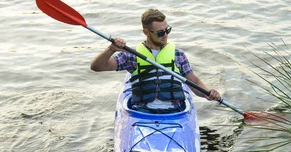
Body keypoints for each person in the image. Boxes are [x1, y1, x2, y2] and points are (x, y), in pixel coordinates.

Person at [90, 9, 221, 113]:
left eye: (167, 30)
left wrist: (208, 93)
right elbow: (97, 67)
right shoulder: (132, 55)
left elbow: (194, 82)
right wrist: (111, 49)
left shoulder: (178, 54)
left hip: (175, 111)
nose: (165, 35)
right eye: (160, 33)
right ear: (146, 32)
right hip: (141, 112)